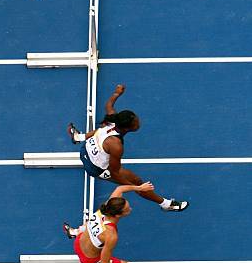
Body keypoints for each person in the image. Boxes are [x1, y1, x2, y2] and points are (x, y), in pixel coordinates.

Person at [68, 84, 189, 212]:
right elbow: (115, 172)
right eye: (136, 122)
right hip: (94, 167)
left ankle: (79, 138)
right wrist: (137, 188)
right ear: (127, 128)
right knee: (137, 182)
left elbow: (109, 105)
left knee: (101, 129)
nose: (139, 122)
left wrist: (116, 94)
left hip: (85, 150)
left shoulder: (113, 120)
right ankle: (166, 204)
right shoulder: (116, 146)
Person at [64, 183, 181, 263]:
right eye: (127, 209)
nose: (131, 209)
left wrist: (140, 188)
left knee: (90, 222)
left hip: (79, 241)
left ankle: (75, 232)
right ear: (118, 215)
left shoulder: (107, 206)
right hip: (90, 260)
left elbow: (120, 189)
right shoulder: (111, 235)